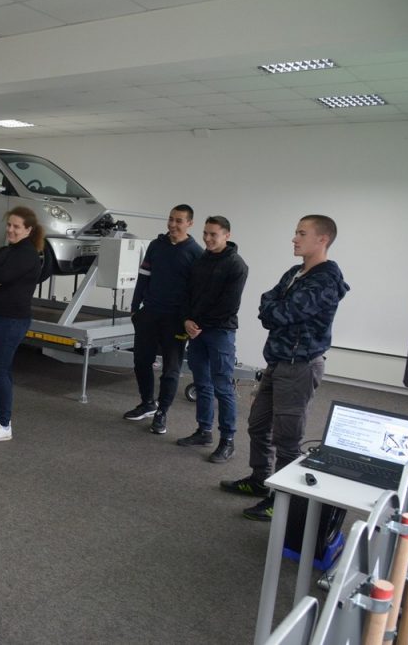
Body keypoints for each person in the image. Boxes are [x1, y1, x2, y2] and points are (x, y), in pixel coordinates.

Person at [221, 215, 349, 521]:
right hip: (278, 361)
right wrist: (274, 308)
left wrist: (274, 308)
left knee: (287, 438)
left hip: (299, 367)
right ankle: (260, 480)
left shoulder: (325, 279)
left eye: (302, 233)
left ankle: (282, 500)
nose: (294, 238)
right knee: (258, 424)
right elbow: (268, 303)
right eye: (296, 232)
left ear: (322, 239)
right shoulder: (295, 272)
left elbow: (282, 313)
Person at [123, 204, 203, 435]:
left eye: (179, 220)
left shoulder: (196, 253)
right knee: (141, 362)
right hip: (149, 313)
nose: (173, 224)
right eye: (171, 219)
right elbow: (143, 277)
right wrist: (135, 308)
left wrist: (191, 319)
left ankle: (162, 412)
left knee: (170, 369)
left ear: (189, 224)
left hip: (176, 320)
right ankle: (147, 403)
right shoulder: (156, 246)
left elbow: (197, 292)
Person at [176, 216, 249, 463]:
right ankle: (203, 431)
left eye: (213, 234)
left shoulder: (236, 265)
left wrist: (198, 325)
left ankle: (227, 441)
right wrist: (186, 320)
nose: (207, 238)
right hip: (196, 330)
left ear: (227, 235)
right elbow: (187, 294)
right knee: (202, 383)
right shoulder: (201, 259)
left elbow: (229, 306)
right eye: (205, 233)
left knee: (223, 387)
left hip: (219, 332)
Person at [0, 206, 45, 443]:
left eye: (16, 226)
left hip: (9, 320)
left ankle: (4, 425)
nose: (11, 230)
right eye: (9, 225)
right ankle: (0, 415)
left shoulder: (28, 254)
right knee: (0, 369)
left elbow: (0, 276)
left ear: (28, 230)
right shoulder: (5, 251)